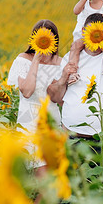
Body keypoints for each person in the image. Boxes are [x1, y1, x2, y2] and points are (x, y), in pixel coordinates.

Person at [47, 13, 103, 172]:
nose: (96, 36)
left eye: (102, 33)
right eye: (91, 32)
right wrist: (63, 77)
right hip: (71, 141)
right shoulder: (71, 58)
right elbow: (54, 97)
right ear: (83, 32)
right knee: (70, 193)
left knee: (101, 192)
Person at [7, 19, 62, 174]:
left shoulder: (60, 63)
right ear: (34, 39)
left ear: (54, 41)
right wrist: (36, 59)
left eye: (48, 38)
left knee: (50, 181)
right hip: (29, 125)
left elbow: (61, 99)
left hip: (52, 126)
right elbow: (27, 91)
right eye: (40, 38)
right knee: (39, 182)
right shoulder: (23, 60)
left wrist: (65, 80)